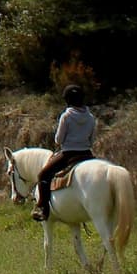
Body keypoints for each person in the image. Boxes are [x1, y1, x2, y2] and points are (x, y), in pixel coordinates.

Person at [32, 84, 97, 221]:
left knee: (43, 175)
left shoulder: (66, 116)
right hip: (87, 154)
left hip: (68, 154)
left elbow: (58, 140)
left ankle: (43, 208)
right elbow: (91, 141)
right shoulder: (91, 118)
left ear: (67, 100)